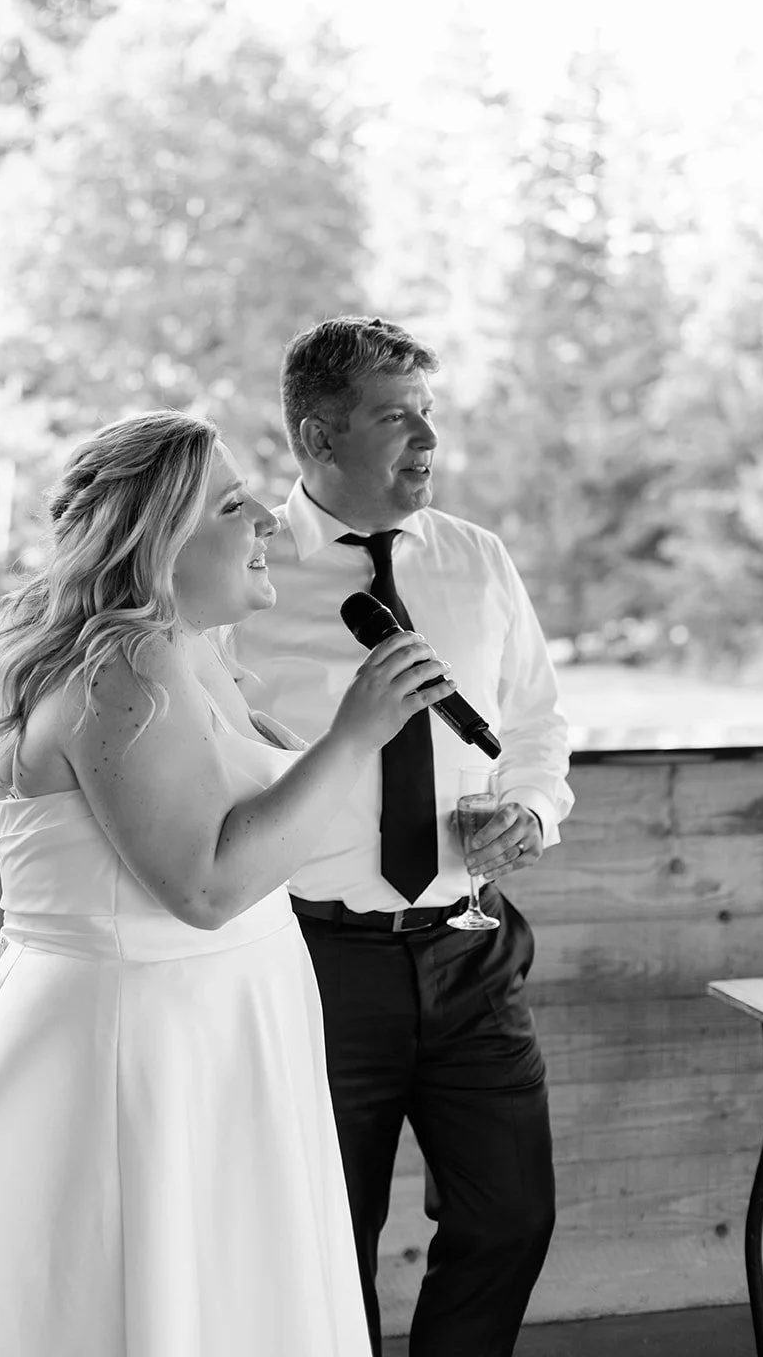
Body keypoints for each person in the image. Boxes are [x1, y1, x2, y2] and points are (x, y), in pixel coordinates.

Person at [0, 408, 461, 1357]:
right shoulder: (127, 662)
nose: (268, 520)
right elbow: (203, 891)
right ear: (154, 541)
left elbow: (261, 845)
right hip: (149, 1042)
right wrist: (355, 734)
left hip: (220, 1022)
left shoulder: (189, 651)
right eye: (231, 506)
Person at [229, 316, 575, 1357]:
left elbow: (536, 724)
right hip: (310, 959)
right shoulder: (240, 575)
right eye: (394, 417)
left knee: (511, 1215)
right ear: (317, 435)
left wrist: (529, 809)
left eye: (427, 413)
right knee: (324, 1239)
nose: (426, 439)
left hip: (470, 945)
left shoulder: (477, 558)